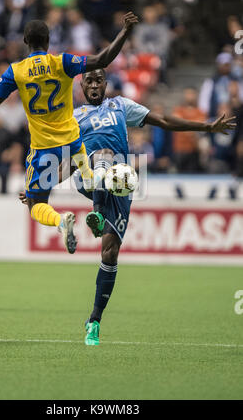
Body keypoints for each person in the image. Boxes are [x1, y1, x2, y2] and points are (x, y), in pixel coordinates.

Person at [71, 69, 236, 345]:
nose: (94, 84)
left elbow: (163, 120)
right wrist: (37, 190)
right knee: (103, 155)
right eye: (89, 80)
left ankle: (94, 321)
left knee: (110, 253)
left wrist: (205, 127)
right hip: (88, 177)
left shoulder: (121, 106)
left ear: (106, 84)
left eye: (99, 80)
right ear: (82, 86)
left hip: (119, 182)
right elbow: (62, 156)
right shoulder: (74, 118)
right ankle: (97, 213)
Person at [0, 12, 139, 254]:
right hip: (73, 141)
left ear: (25, 41)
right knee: (85, 169)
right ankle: (96, 179)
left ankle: (60, 221)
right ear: (48, 41)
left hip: (43, 147)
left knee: (35, 204)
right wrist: (125, 31)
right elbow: (102, 59)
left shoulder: (16, 71)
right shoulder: (62, 62)